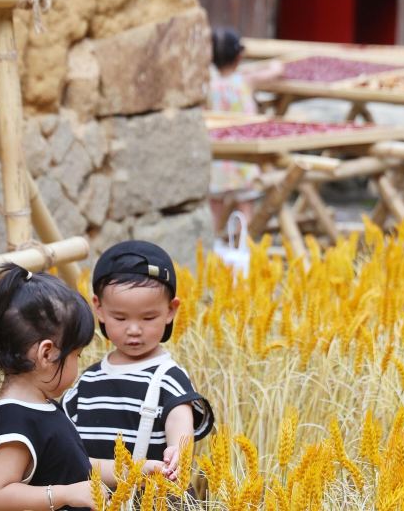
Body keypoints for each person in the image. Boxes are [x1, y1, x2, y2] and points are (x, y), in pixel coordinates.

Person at [0, 264, 165, 511]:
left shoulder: (43, 408)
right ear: (47, 354)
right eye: (76, 354)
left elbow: (78, 465)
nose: (78, 363)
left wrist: (137, 470)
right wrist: (65, 494)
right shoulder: (15, 423)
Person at [64, 241, 215, 482]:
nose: (134, 330)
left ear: (170, 310)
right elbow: (64, 438)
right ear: (99, 308)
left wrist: (179, 450)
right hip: (92, 498)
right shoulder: (88, 381)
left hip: (151, 497)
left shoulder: (169, 377)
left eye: (148, 317)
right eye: (120, 318)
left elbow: (179, 416)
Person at [207, 27, 282, 231]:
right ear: (239, 57)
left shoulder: (209, 85)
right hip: (244, 158)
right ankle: (244, 246)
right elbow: (276, 72)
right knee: (245, 209)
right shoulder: (245, 81)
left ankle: (210, 247)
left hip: (218, 157)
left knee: (214, 209)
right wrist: (275, 63)